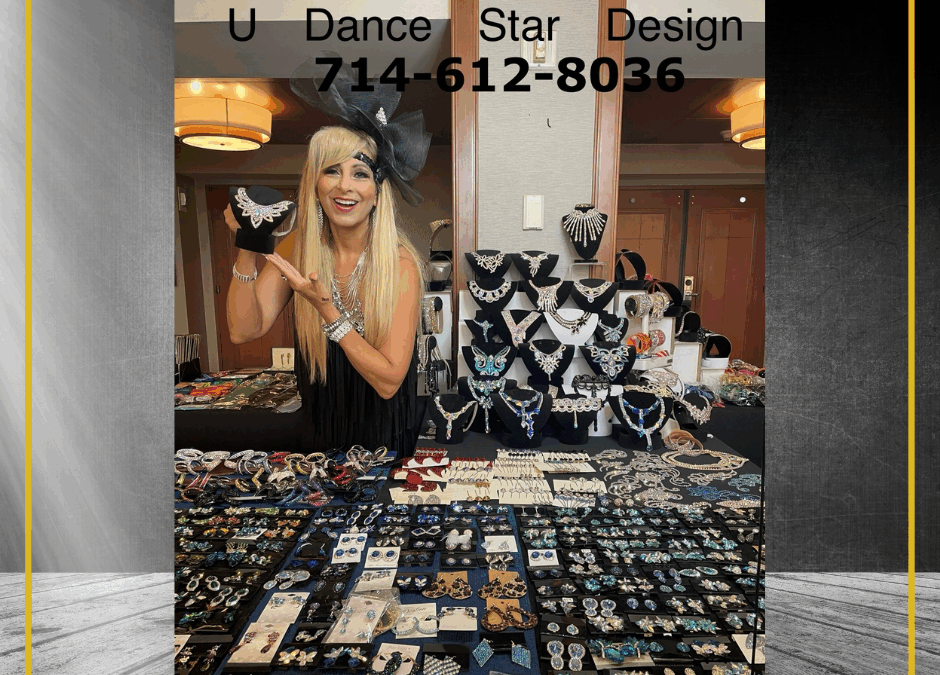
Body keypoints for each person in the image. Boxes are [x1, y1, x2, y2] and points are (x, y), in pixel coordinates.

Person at [224, 125, 426, 456]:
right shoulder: (299, 249)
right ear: (315, 185)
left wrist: (327, 311)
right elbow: (244, 331)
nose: (344, 186)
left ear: (377, 192)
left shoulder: (400, 264)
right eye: (332, 170)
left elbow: (389, 383)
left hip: (383, 444)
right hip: (318, 437)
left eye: (360, 173)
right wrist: (247, 242)